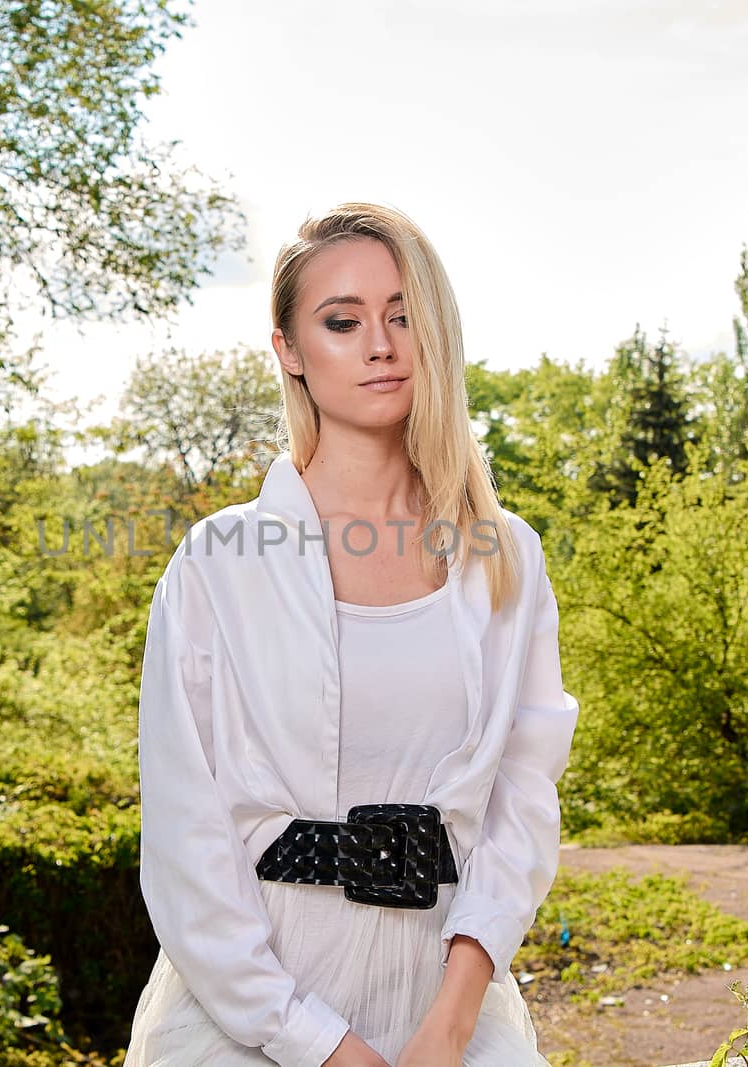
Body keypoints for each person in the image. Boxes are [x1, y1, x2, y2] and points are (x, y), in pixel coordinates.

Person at [123, 202, 579, 1067]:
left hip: (446, 1002)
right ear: (289, 351)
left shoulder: (503, 556)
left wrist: (447, 1028)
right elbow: (186, 839)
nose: (381, 343)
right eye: (343, 320)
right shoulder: (219, 562)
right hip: (250, 1004)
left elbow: (524, 804)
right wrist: (321, 1046)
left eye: (404, 316)